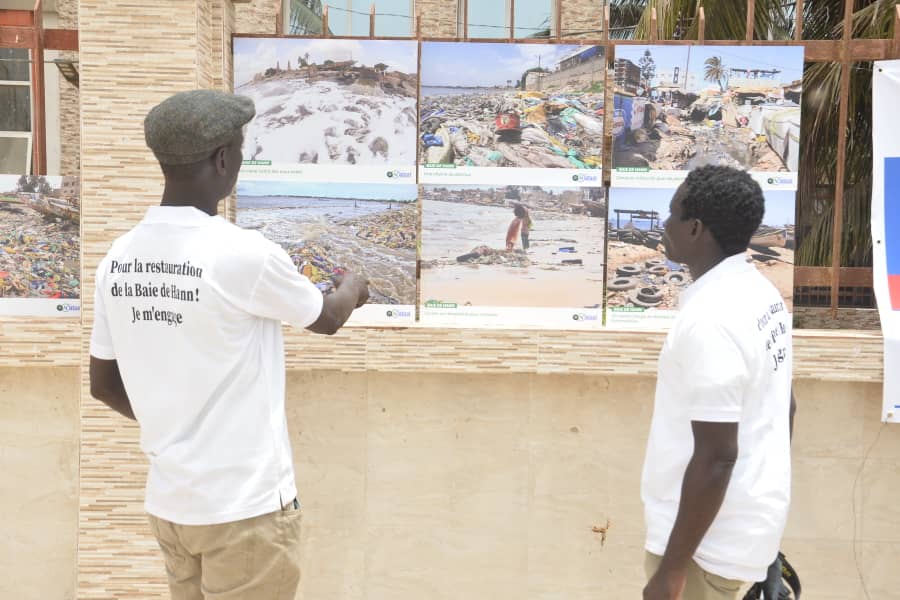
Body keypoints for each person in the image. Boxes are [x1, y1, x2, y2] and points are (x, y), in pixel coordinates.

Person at [88, 89, 369, 600]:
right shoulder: (243, 253)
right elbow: (326, 317)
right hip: (244, 509)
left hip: (172, 505)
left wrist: (172, 424)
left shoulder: (119, 257)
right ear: (223, 158)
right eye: (240, 150)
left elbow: (103, 386)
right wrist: (354, 285)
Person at [642, 165, 795, 600]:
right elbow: (785, 406)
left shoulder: (711, 320)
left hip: (702, 549)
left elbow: (717, 457)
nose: (665, 223)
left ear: (694, 228)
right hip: (742, 528)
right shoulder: (760, 292)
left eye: (672, 214)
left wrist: (671, 572)